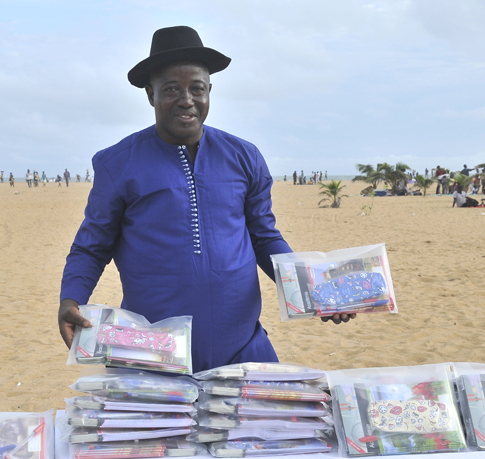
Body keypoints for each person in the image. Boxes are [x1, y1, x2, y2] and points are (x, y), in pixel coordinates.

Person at [58, 26, 354, 373]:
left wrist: (314, 292)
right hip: (152, 352)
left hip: (243, 346)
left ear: (209, 91)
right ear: (150, 95)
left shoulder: (244, 156)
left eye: (197, 88)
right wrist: (70, 299)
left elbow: (264, 236)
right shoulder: (118, 164)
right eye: (171, 89)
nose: (186, 99)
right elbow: (92, 246)